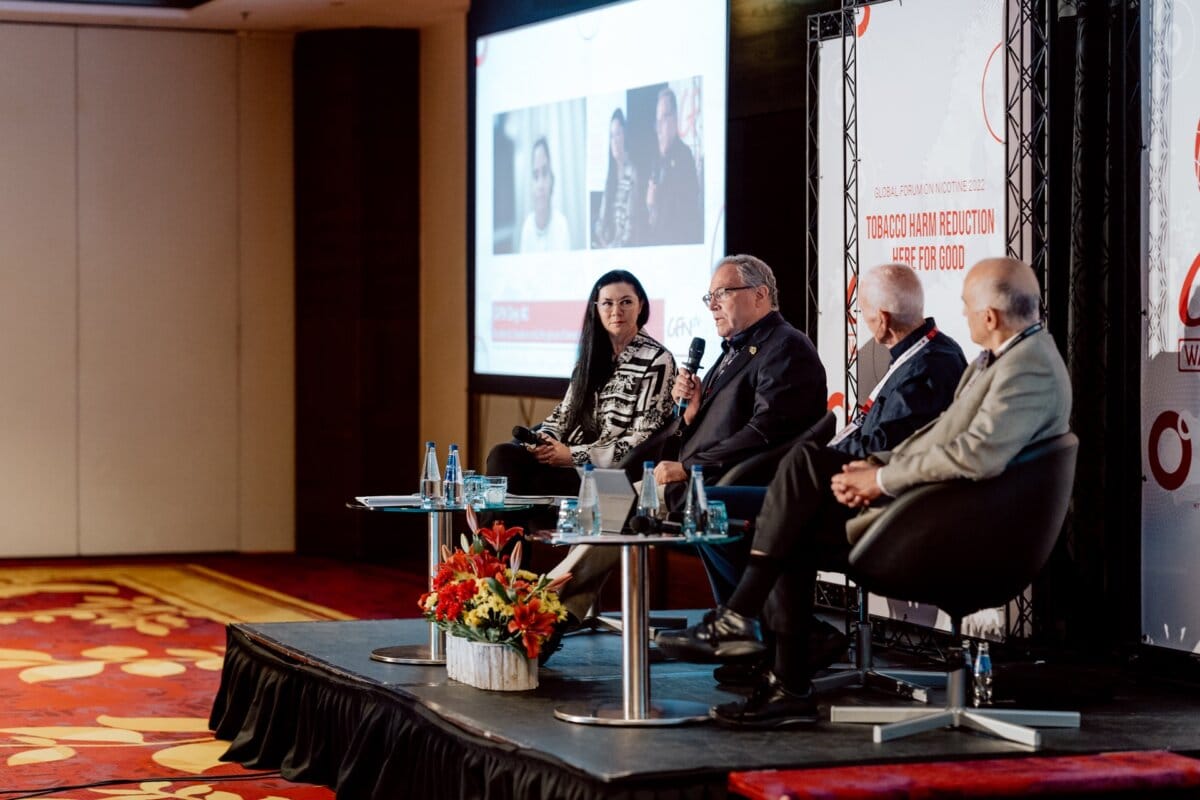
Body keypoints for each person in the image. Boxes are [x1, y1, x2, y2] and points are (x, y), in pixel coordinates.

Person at [656, 257, 1072, 729]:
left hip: (966, 528)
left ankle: (741, 617)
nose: (963, 313)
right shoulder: (997, 360)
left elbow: (974, 456)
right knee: (795, 512)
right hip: (939, 508)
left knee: (802, 471)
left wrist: (876, 479)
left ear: (991, 317)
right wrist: (875, 468)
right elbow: (934, 439)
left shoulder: (1026, 368)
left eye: (967, 306)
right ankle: (786, 682)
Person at [549, 254, 826, 624]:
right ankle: (553, 607)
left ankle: (547, 610)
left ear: (760, 295)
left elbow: (765, 432)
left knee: (618, 506)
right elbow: (721, 427)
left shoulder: (786, 347)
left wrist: (688, 468)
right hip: (703, 475)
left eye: (722, 294)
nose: (712, 305)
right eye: (708, 296)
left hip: (735, 483)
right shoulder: (738, 349)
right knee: (611, 502)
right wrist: (693, 413)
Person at [698, 262, 967, 611]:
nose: (865, 324)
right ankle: (749, 630)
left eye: (866, 314)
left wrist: (819, 463)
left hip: (870, 502)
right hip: (838, 487)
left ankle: (751, 626)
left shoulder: (930, 366)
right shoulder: (919, 355)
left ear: (882, 320)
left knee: (715, 506)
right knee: (710, 504)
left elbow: (880, 447)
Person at [486, 270, 676, 497]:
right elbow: (564, 414)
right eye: (607, 303)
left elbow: (640, 439)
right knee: (502, 455)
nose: (616, 311)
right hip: (568, 458)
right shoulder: (590, 356)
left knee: (530, 480)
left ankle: (503, 532)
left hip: (612, 471)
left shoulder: (658, 359)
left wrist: (572, 455)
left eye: (626, 302)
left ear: (641, 305)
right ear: (596, 308)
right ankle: (496, 533)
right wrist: (546, 440)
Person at [644, 88, 702, 245]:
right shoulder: (656, 161)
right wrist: (651, 205)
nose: (659, 129)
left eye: (664, 118)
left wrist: (657, 200)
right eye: (657, 121)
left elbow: (685, 214)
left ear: (675, 118)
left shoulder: (684, 157)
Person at [593, 109, 642, 248]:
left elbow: (630, 228)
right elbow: (600, 222)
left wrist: (612, 248)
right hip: (607, 248)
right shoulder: (610, 176)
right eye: (611, 136)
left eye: (618, 134)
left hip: (623, 251)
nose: (614, 141)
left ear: (624, 136)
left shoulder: (632, 173)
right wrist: (601, 238)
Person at [519, 136, 571, 253]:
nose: (540, 185)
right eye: (536, 176)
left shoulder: (562, 225)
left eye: (545, 173)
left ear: (552, 179)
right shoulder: (527, 229)